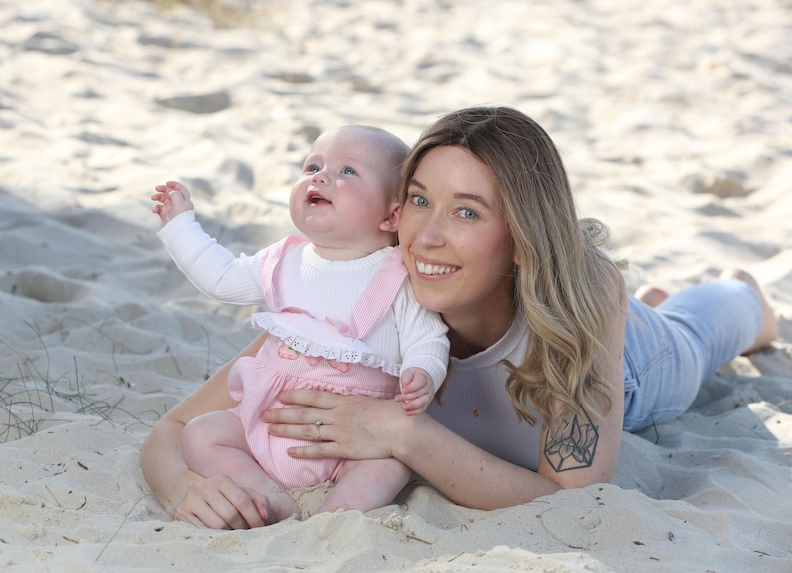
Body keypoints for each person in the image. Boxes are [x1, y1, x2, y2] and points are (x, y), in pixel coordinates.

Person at [141, 106, 778, 529]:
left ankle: (742, 293)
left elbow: (571, 496)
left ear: (523, 235)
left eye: (468, 212)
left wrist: (403, 433)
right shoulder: (370, 279)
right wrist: (181, 490)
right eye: (420, 200)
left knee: (704, 332)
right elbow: (175, 425)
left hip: (636, 369)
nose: (427, 237)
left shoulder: (583, 292)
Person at [149, 125, 450, 524]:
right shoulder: (283, 260)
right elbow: (220, 278)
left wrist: (422, 371)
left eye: (348, 172)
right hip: (269, 419)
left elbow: (428, 337)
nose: (321, 177)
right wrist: (181, 225)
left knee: (390, 464)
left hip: (355, 438)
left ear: (391, 215)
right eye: (312, 165)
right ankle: (270, 500)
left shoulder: (398, 277)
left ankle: (334, 516)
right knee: (202, 433)